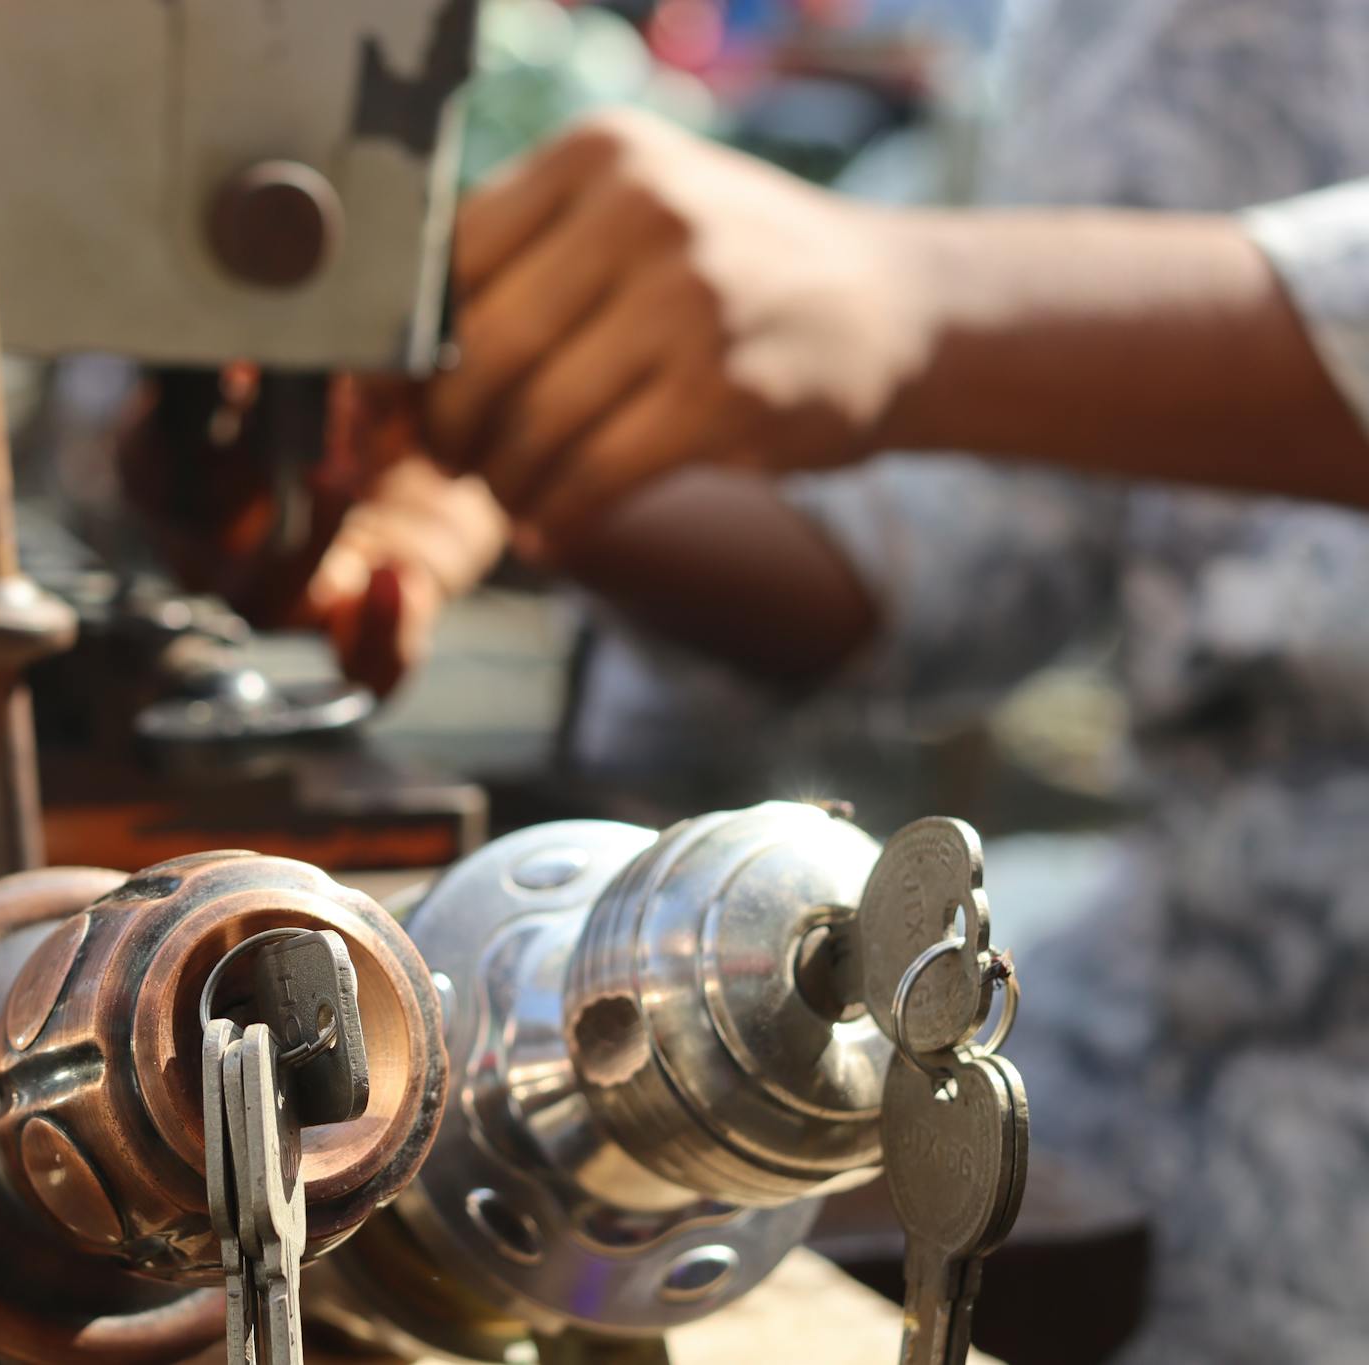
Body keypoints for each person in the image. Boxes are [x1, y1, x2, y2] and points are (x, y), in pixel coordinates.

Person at [296, 3, 1369, 1361]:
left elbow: (957, 339)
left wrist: (920, 298)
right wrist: (549, 448)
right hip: (1163, 1055)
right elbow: (994, 540)